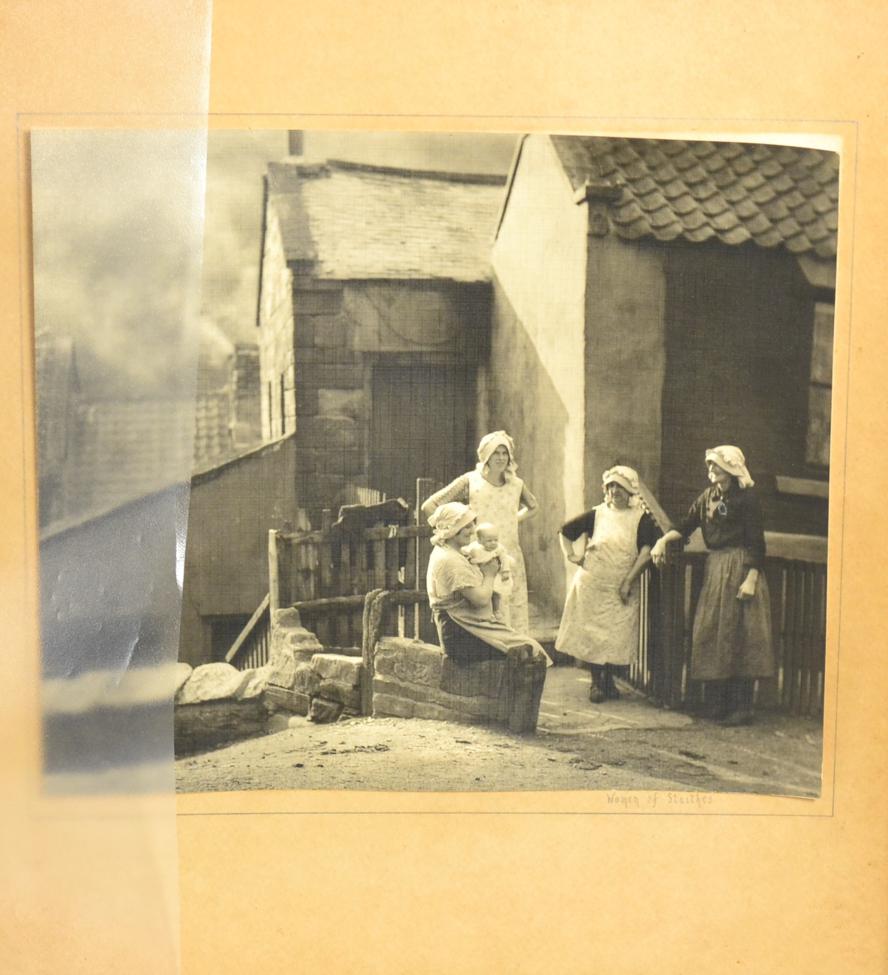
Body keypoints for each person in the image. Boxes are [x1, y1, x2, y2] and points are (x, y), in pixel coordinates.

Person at [650, 445, 775, 725]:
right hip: (716, 569)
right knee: (714, 633)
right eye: (709, 465)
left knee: (743, 635)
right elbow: (685, 524)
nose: (710, 470)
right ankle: (717, 705)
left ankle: (743, 707)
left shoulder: (748, 499)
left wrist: (751, 578)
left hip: (741, 568)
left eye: (715, 466)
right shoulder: (708, 496)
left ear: (730, 468)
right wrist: (661, 541)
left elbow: (757, 542)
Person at [555, 465, 661, 703]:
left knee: (616, 635)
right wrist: (573, 556)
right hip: (592, 583)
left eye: (620, 487)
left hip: (621, 584)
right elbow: (564, 532)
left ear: (630, 491)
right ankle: (596, 683)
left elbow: (645, 553)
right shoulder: (597, 514)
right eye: (611, 486)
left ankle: (610, 680)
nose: (615, 491)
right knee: (594, 634)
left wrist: (628, 581)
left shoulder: (640, 519)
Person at [421, 431, 538, 633]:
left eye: (505, 453)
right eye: (496, 453)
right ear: (485, 456)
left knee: (512, 611)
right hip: (479, 556)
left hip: (508, 554)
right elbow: (430, 505)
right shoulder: (471, 481)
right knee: (486, 611)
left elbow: (533, 506)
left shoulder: (516, 484)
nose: (501, 457)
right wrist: (449, 532)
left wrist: (512, 520)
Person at [425, 502, 551, 670]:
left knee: (528, 647)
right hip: (460, 632)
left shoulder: (454, 552)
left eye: (472, 524)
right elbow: (481, 600)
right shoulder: (449, 560)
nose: (472, 530)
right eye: (466, 526)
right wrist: (490, 574)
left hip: (469, 625)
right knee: (530, 650)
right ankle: (512, 695)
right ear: (451, 529)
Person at [461, 522, 515, 623]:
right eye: (489, 541)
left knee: (496, 593)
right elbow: (466, 551)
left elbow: (505, 560)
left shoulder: (498, 548)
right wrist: (465, 554)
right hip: (480, 573)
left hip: (495, 575)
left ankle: (496, 610)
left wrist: (505, 571)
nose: (493, 543)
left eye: (496, 540)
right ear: (479, 540)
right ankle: (485, 613)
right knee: (483, 593)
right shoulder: (475, 547)